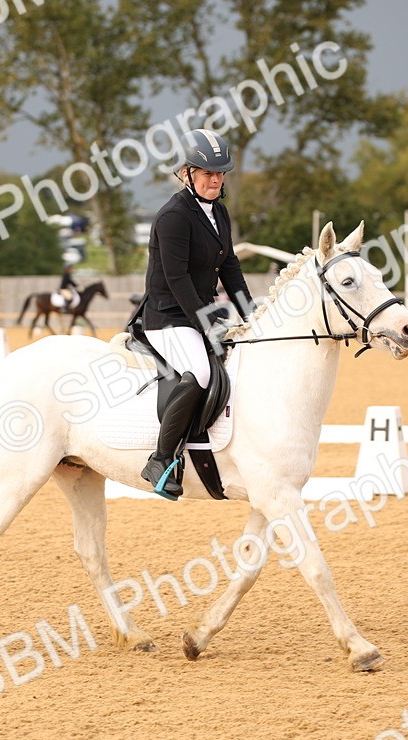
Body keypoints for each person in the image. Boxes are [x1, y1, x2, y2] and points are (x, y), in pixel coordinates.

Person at [138, 128, 254, 499]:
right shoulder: (174, 216)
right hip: (168, 316)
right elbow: (176, 278)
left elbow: (230, 266)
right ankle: (160, 458)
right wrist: (207, 324)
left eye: (220, 173)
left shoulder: (219, 212)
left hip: (201, 313)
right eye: (207, 173)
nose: (215, 179)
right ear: (187, 173)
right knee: (201, 372)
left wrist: (251, 314)